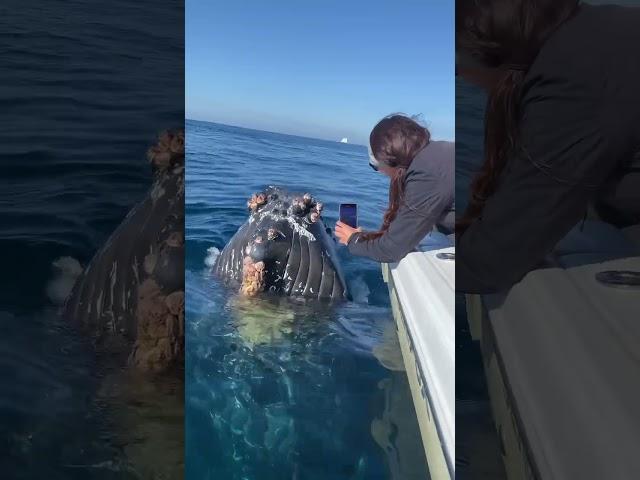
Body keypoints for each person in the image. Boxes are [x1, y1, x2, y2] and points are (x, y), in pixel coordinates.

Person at [455, 0, 640, 294]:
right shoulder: (593, 29)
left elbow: (489, 264)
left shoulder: (574, 82)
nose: (459, 77)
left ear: (486, 53)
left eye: (455, 68)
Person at [334, 114, 454, 263]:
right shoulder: (437, 154)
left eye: (375, 166)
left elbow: (390, 250)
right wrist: (368, 237)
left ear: (390, 161)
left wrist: (353, 240)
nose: (380, 173)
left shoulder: (427, 176)